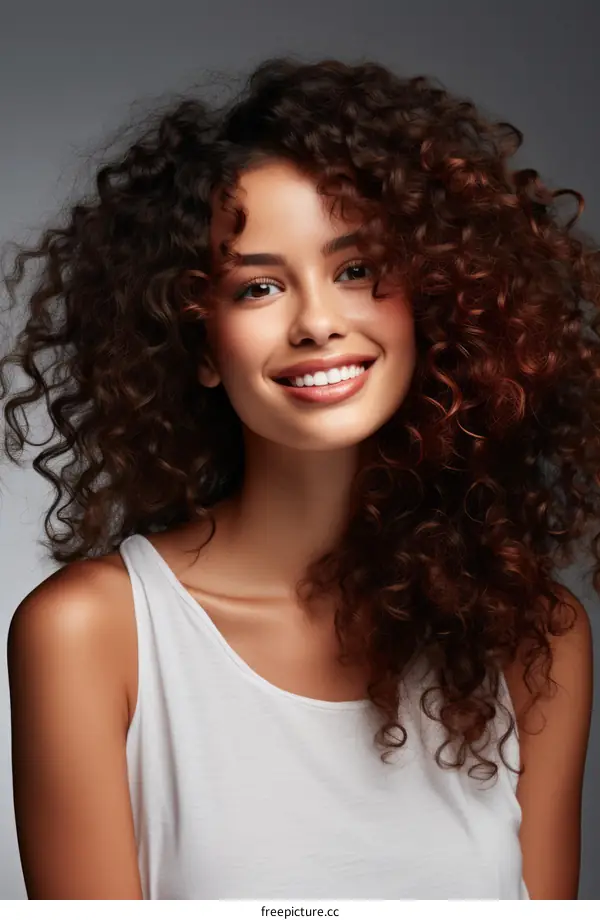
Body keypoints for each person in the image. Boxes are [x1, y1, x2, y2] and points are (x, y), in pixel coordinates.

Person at [2, 56, 596, 900]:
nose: (318, 321)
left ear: (430, 304)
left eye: (356, 271)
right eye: (259, 287)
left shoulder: (535, 635)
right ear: (202, 345)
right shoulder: (92, 634)